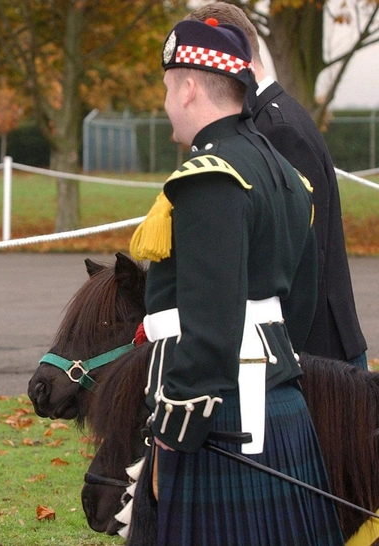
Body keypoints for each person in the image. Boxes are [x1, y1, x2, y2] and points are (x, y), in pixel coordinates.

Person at [128, 19, 343, 545]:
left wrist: (173, 433)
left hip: (221, 415)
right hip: (276, 399)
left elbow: (210, 323)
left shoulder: (210, 175)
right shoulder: (287, 174)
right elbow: (301, 302)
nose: (165, 103)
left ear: (190, 86)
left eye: (166, 89)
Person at [189, 2, 368, 369]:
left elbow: (302, 258)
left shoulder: (278, 129)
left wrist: (279, 357)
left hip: (318, 350)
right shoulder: (268, 120)